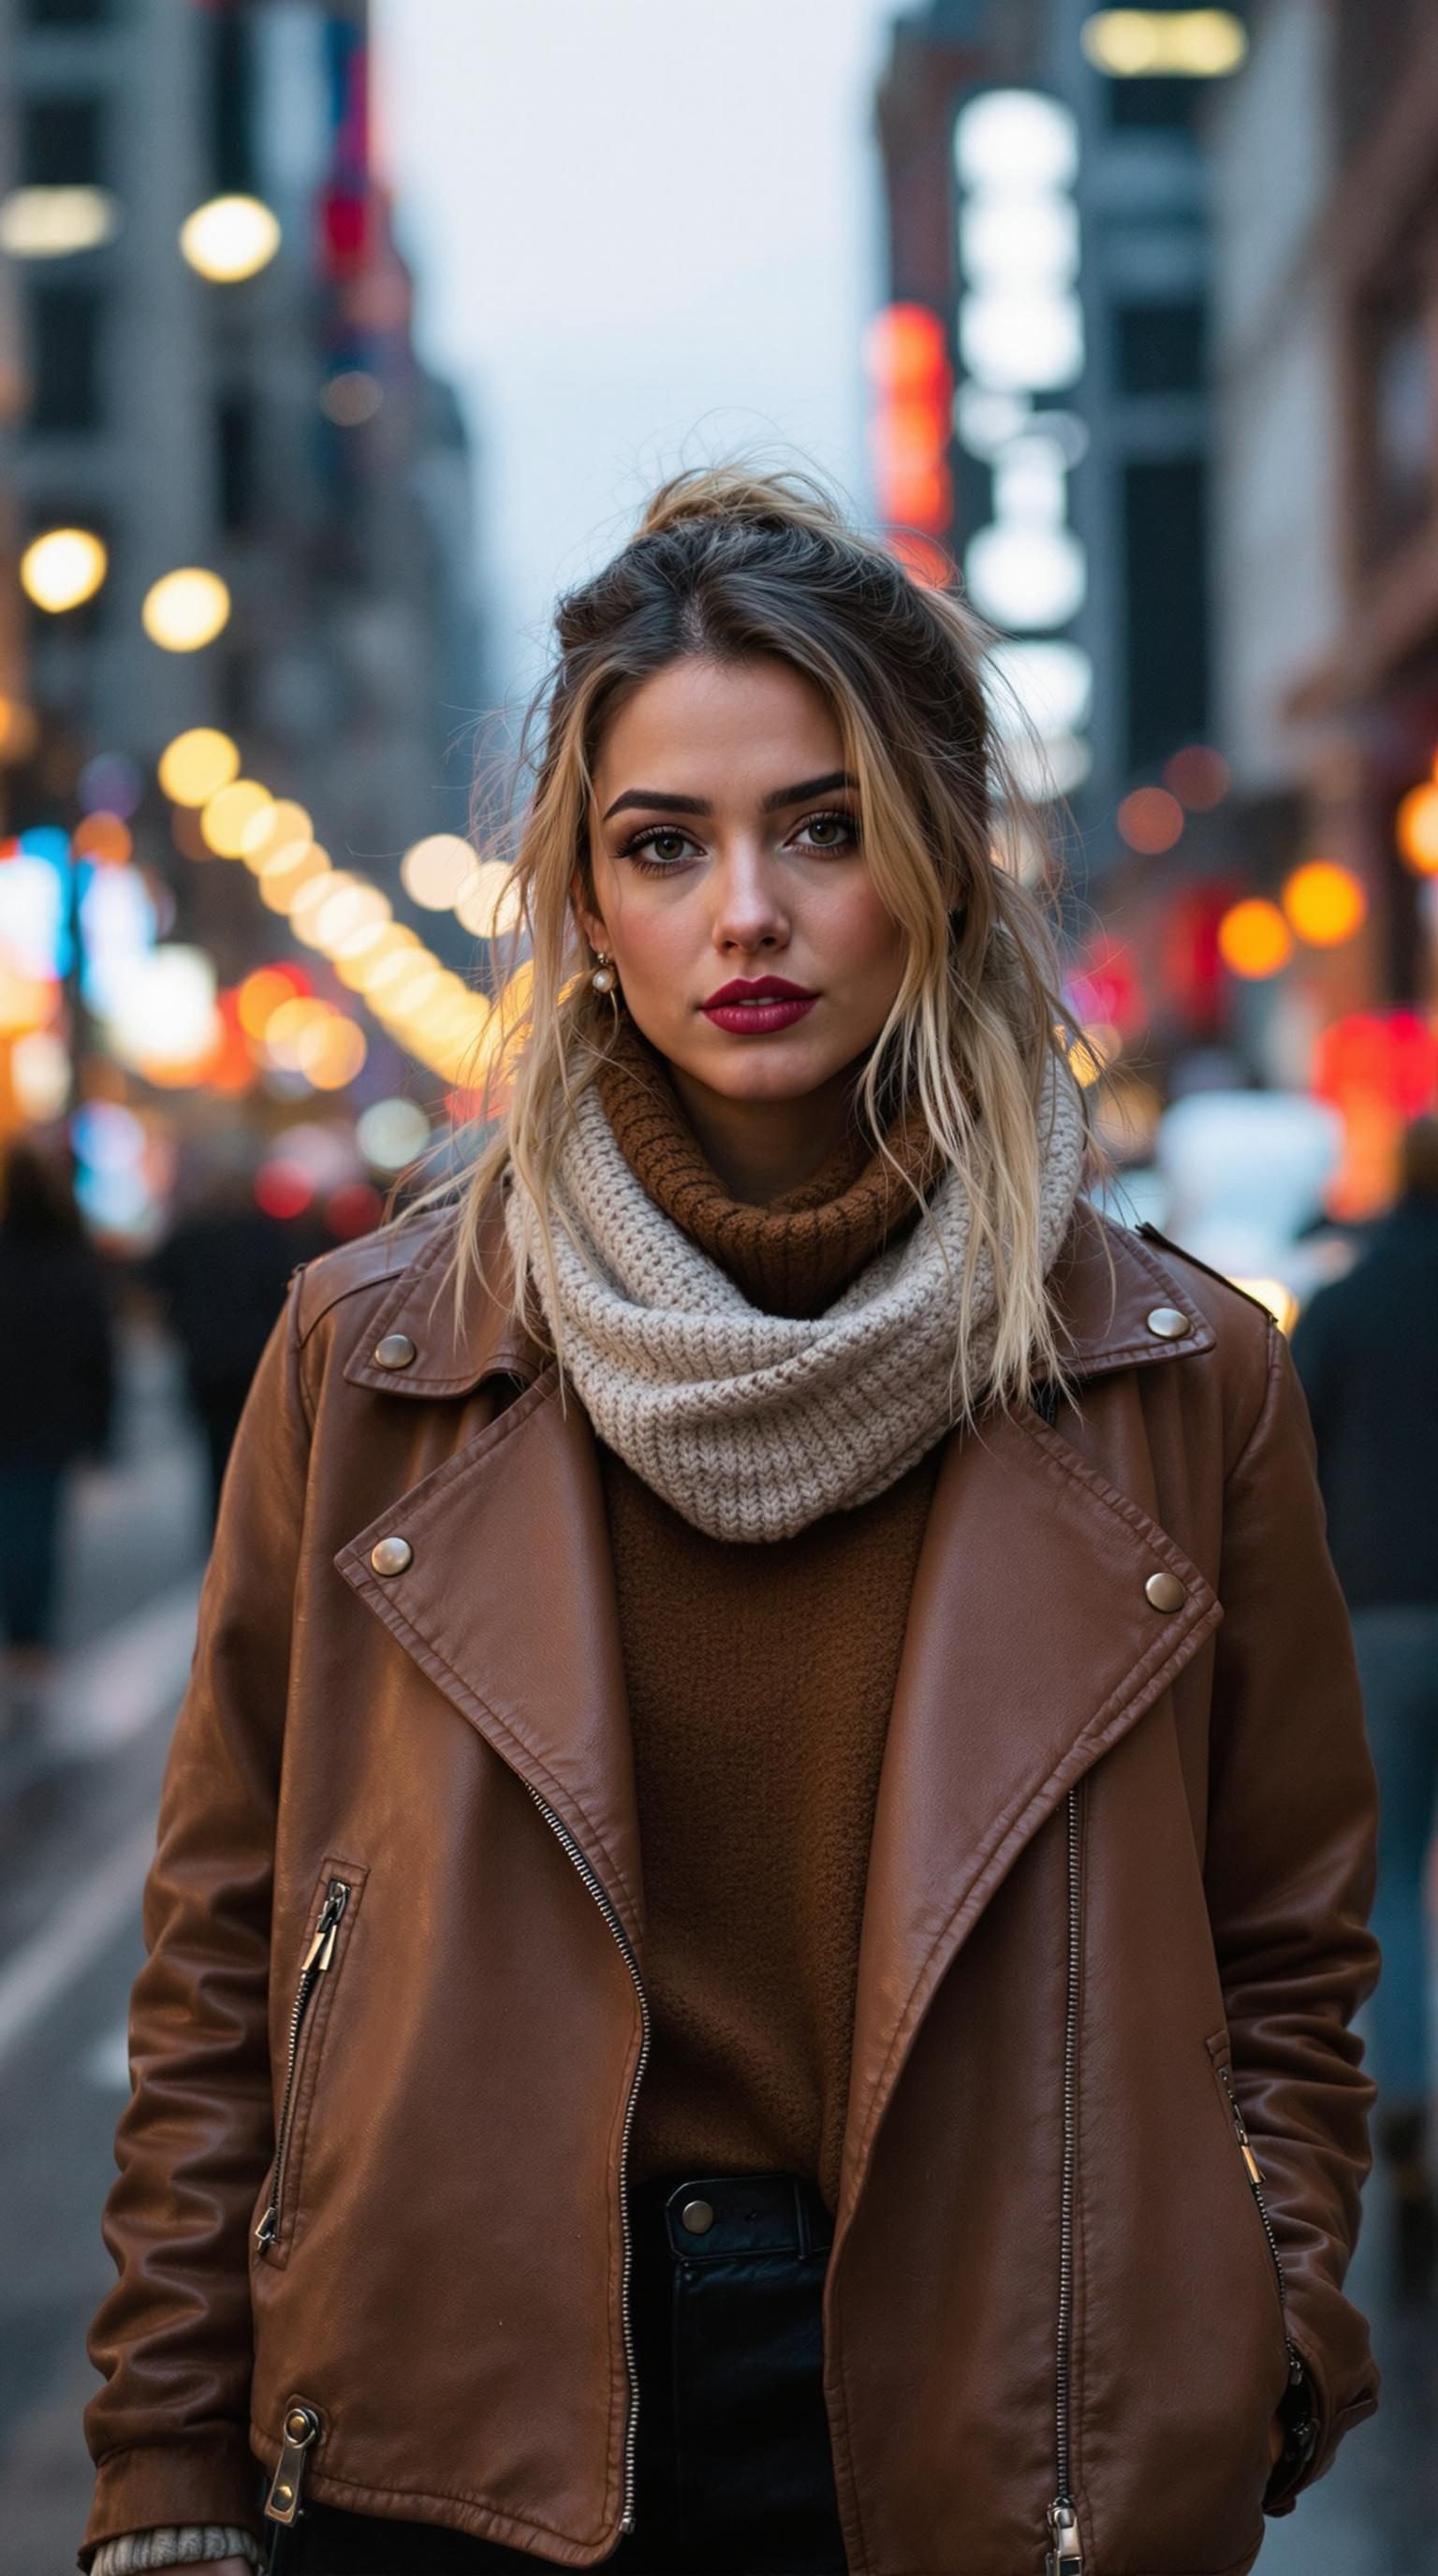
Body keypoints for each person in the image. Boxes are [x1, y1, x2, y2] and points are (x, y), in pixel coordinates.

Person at [78, 468, 1381, 2576]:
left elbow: (1290, 1952)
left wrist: (1271, 2339)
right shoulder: (379, 1357)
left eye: (823, 827)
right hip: (461, 2408)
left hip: (992, 2411)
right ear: (587, 904)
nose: (744, 913)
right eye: (663, 844)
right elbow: (228, 1945)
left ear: (937, 861)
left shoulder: (1179, 1377)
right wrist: (164, 2447)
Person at [1291, 1113, 1438, 2281]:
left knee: (1386, 1869)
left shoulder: (1348, 1298)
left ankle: (1412, 2099)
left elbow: (1285, 1460)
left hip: (1381, 1611)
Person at [0, 1134, 116, 1710]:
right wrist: (100, 1427)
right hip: (47, 1413)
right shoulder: (69, 1256)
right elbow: (96, 1347)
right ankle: (28, 1642)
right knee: (35, 1528)